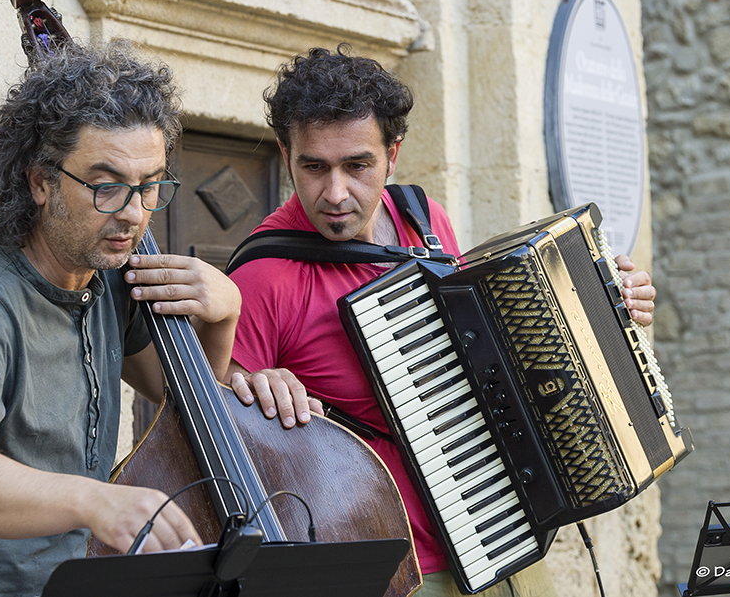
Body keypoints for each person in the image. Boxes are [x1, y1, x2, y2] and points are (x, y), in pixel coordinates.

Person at [214, 46, 656, 597]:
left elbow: (490, 348)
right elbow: (218, 428)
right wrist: (247, 389)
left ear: (392, 154)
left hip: (505, 531)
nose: (335, 193)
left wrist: (610, 310)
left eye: (357, 166)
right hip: (400, 567)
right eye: (313, 167)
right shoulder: (265, 275)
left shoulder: (425, 222)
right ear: (286, 155)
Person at [0, 43, 241, 596]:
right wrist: (97, 500)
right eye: (107, 185)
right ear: (41, 182)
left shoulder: (113, 278)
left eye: (150, 186)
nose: (133, 212)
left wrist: (223, 320)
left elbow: (180, 409)